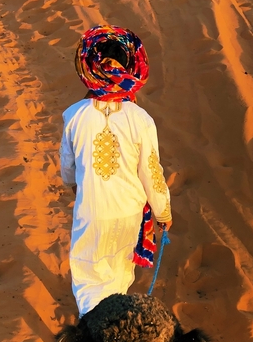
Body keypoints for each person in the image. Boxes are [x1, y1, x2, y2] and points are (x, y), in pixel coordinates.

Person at [60, 25, 172, 317]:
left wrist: (80, 187)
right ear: (130, 69)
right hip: (129, 213)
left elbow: (67, 171)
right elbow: (152, 172)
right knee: (120, 277)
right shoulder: (141, 118)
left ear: (91, 68)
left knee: (87, 276)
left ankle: (92, 330)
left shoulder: (74, 116)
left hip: (91, 210)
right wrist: (163, 212)